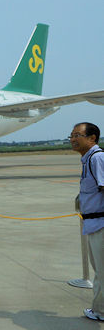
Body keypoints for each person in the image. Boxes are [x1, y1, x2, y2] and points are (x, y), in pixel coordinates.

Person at [69, 122, 104, 321]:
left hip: (101, 224)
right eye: (71, 135)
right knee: (100, 271)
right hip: (94, 224)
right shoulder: (88, 159)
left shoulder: (97, 158)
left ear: (92, 138)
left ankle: (101, 311)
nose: (73, 139)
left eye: (77, 135)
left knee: (102, 273)